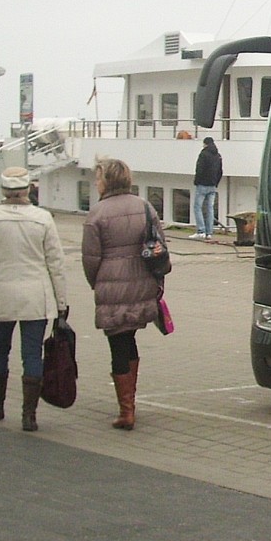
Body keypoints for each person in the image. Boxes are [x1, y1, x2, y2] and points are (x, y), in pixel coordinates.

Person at [0, 166, 69, 432]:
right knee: (32, 353)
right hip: (37, 296)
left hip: (2, 292)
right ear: (28, 189)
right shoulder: (43, 218)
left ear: (3, 190)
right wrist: (61, 303)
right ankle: (29, 415)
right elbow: (56, 264)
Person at [82, 157, 168, 431]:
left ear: (106, 181)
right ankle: (130, 402)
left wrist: (97, 283)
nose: (96, 183)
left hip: (111, 286)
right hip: (141, 282)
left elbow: (90, 258)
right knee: (128, 339)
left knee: (117, 343)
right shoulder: (144, 206)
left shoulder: (96, 213)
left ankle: (126, 410)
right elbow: (160, 245)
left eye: (98, 178)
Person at [190, 136, 222, 240]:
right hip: (212, 186)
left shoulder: (203, 154)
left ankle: (201, 231)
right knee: (210, 209)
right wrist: (215, 183)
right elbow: (220, 172)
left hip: (202, 185)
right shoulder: (218, 156)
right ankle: (209, 233)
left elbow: (199, 169)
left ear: (205, 144)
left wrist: (197, 181)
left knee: (197, 207)